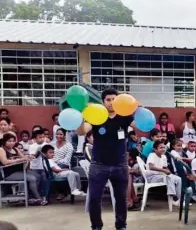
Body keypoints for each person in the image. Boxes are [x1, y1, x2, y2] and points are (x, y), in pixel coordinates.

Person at [76, 88, 135, 230]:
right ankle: (96, 226)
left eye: (114, 99)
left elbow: (141, 126)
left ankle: (121, 226)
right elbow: (82, 131)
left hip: (120, 165)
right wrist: (79, 118)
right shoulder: (97, 116)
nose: (111, 102)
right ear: (103, 102)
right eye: (108, 100)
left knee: (121, 199)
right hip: (98, 165)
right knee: (95, 199)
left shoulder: (125, 116)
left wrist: (136, 108)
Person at [145, 140, 182, 206]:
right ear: (155, 149)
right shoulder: (152, 155)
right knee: (168, 178)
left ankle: (179, 199)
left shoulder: (164, 157)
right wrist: (164, 171)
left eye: (163, 147)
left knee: (178, 179)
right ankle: (173, 196)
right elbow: (151, 167)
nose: (163, 149)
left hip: (161, 176)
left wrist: (169, 172)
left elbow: (165, 167)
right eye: (160, 148)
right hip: (152, 177)